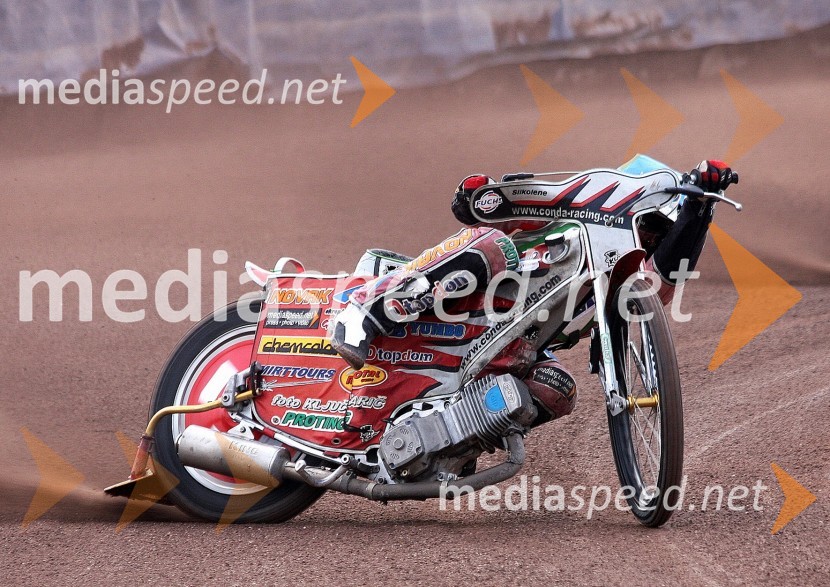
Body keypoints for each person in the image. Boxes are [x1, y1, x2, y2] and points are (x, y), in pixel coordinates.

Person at [330, 160, 735, 421]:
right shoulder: (559, 220)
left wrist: (699, 211)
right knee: (493, 246)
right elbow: (477, 210)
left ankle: (455, 436)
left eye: (660, 234)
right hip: (449, 305)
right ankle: (363, 313)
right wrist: (483, 194)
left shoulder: (623, 284)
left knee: (558, 389)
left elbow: (662, 281)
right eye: (647, 226)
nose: (646, 239)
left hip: (502, 350)